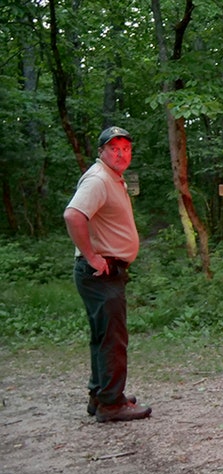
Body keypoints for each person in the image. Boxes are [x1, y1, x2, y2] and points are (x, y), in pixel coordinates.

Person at [63, 126, 152, 423]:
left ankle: (100, 394)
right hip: (101, 273)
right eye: (114, 148)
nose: (121, 153)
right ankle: (111, 404)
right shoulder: (99, 178)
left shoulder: (113, 178)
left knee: (103, 336)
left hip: (108, 272)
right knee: (112, 338)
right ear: (101, 151)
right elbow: (73, 215)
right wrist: (91, 255)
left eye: (126, 148)